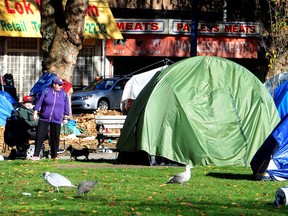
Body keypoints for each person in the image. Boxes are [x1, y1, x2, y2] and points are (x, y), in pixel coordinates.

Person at [31, 75, 70, 161]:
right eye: (59, 85)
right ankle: (36, 155)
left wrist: (66, 117)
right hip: (44, 117)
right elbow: (39, 102)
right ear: (54, 84)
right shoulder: (46, 91)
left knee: (55, 137)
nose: (61, 86)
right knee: (40, 135)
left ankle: (54, 155)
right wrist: (35, 112)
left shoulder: (63, 94)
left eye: (61, 85)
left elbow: (66, 106)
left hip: (57, 118)